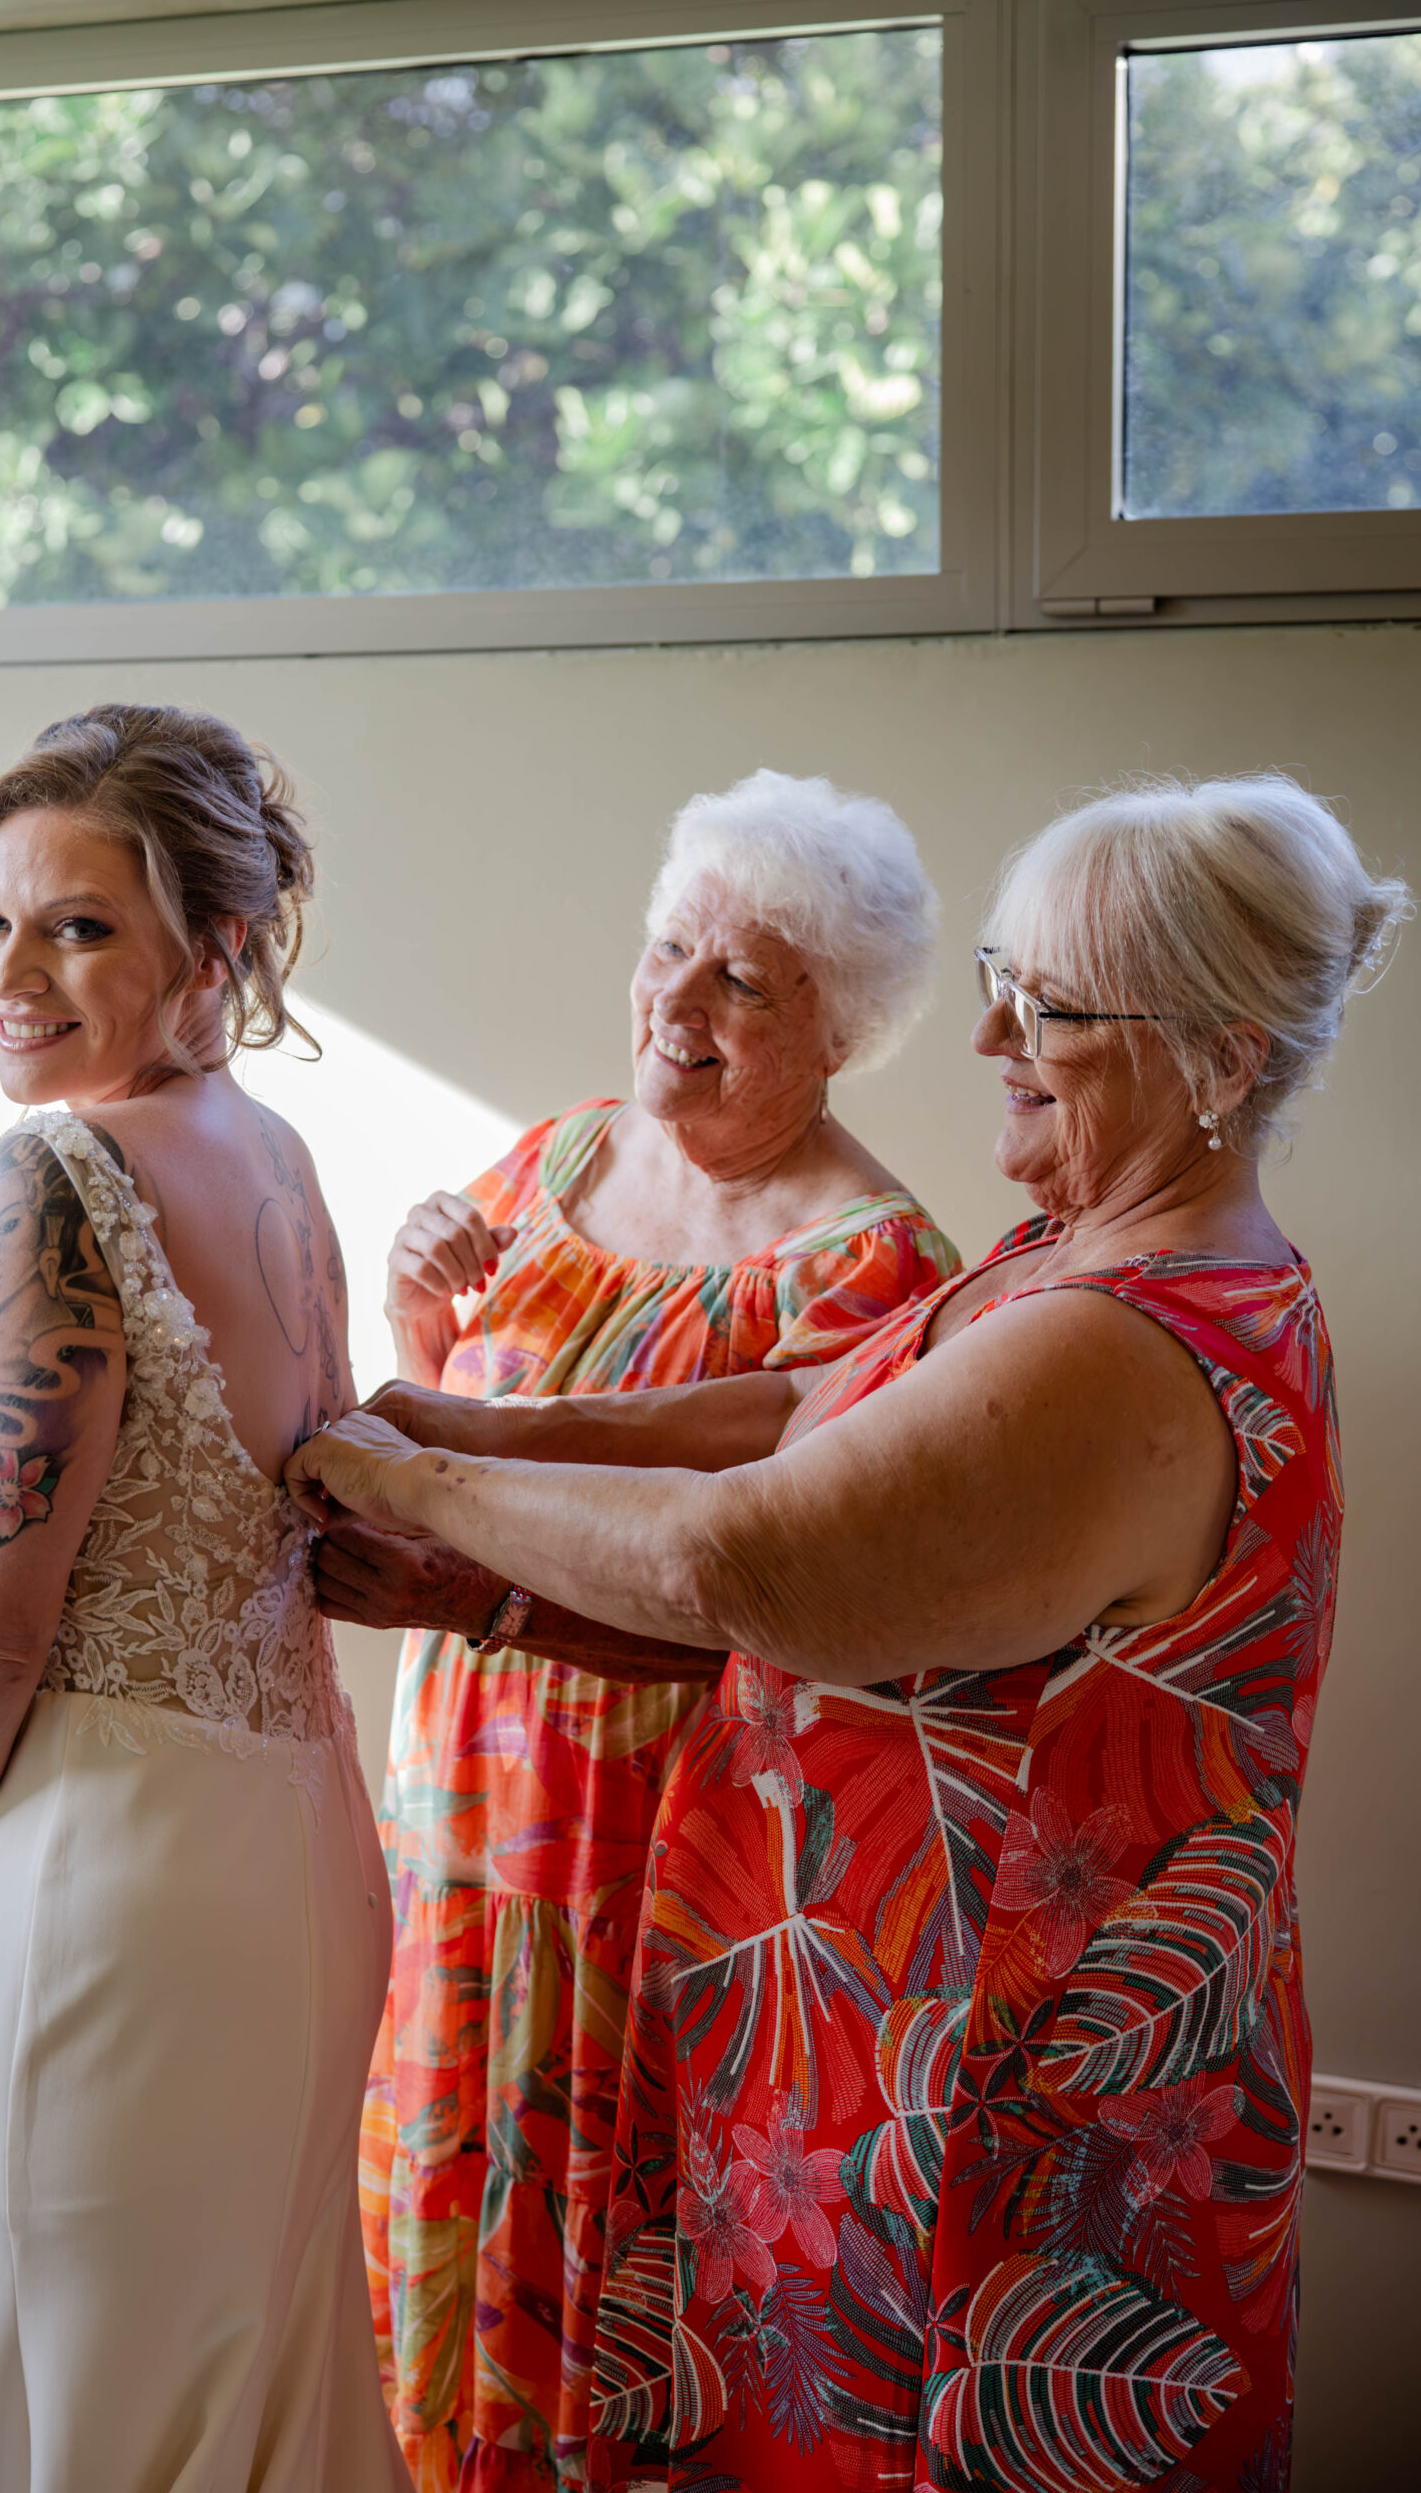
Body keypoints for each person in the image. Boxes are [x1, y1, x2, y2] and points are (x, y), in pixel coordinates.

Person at [288, 774, 1409, 2492]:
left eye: (1048, 1005)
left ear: (1222, 1055)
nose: (984, 1036)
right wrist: (488, 1432)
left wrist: (409, 1486)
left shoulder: (1120, 1343)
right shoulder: (1064, 1259)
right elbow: (801, 1400)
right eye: (995, 974)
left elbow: (743, 1560)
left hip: (994, 2155)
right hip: (880, 2095)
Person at [316, 769, 959, 2490]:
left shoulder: (871, 1275)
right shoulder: (558, 1155)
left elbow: (815, 1623)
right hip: (458, 1842)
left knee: (613, 2271)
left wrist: (491, 1590)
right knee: (432, 2230)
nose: (676, 1004)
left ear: (845, 1029)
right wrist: (417, 1300)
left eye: (742, 982)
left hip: (657, 1870)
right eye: (669, 950)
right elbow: (445, 1422)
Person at [0, 704, 409, 2493]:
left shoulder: (60, 1175)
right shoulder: (275, 1161)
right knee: (258, 2403)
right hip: (299, 1853)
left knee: (68, 2425)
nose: (12, 973)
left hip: (109, 1887)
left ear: (216, 950)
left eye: (81, 926)